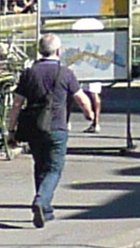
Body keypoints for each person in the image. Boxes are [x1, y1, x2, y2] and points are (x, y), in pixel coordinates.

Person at [12, 38, 100, 229]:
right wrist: (90, 115)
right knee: (54, 168)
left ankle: (46, 208)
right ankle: (41, 202)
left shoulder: (29, 73)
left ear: (40, 50)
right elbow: (81, 99)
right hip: (58, 126)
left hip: (35, 127)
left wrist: (11, 129)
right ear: (58, 51)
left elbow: (17, 103)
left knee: (40, 165)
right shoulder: (65, 73)